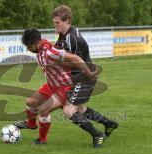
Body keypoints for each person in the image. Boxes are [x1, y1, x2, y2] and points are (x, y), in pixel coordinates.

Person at [16, 5, 118, 142]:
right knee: (80, 109)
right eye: (54, 23)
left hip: (84, 77)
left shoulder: (72, 38)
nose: (55, 26)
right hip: (74, 78)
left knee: (68, 111)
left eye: (57, 23)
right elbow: (57, 51)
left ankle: (96, 135)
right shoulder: (64, 34)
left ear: (67, 21)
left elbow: (77, 61)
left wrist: (59, 63)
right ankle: (108, 123)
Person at [19, 28, 106, 148]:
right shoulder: (41, 47)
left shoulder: (49, 52)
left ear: (37, 43)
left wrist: (89, 73)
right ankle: (31, 124)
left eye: (29, 46)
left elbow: (74, 58)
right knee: (30, 102)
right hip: (51, 84)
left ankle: (42, 139)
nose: (28, 49)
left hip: (64, 86)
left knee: (45, 110)